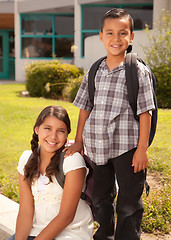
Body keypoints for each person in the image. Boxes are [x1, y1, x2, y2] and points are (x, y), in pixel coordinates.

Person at [64, 8, 155, 240]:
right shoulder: (94, 71)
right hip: (97, 148)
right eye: (110, 33)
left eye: (123, 33)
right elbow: (85, 108)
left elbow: (146, 112)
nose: (116, 39)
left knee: (129, 202)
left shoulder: (138, 71)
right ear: (101, 36)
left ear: (131, 37)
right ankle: (104, 234)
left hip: (127, 148)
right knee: (100, 198)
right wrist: (80, 141)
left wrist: (142, 149)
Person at [8, 105, 93, 240]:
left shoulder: (72, 161)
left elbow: (66, 217)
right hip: (36, 231)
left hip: (70, 233)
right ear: (37, 129)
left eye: (60, 131)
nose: (53, 136)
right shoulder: (26, 159)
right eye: (47, 128)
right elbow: (25, 211)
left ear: (66, 134)